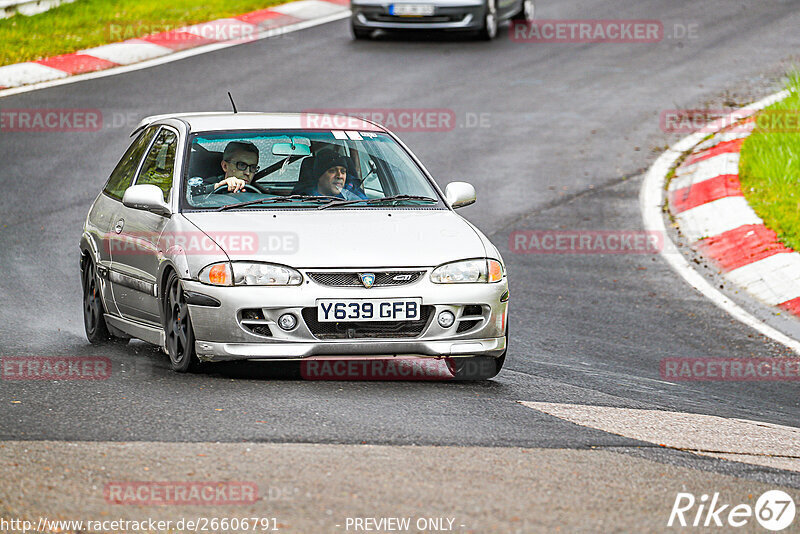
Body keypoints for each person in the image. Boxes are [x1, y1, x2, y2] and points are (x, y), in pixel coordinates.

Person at [189, 141, 259, 195]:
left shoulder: (259, 190)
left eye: (253, 167)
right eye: (241, 165)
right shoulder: (209, 184)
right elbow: (189, 194)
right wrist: (217, 187)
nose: (247, 172)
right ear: (225, 166)